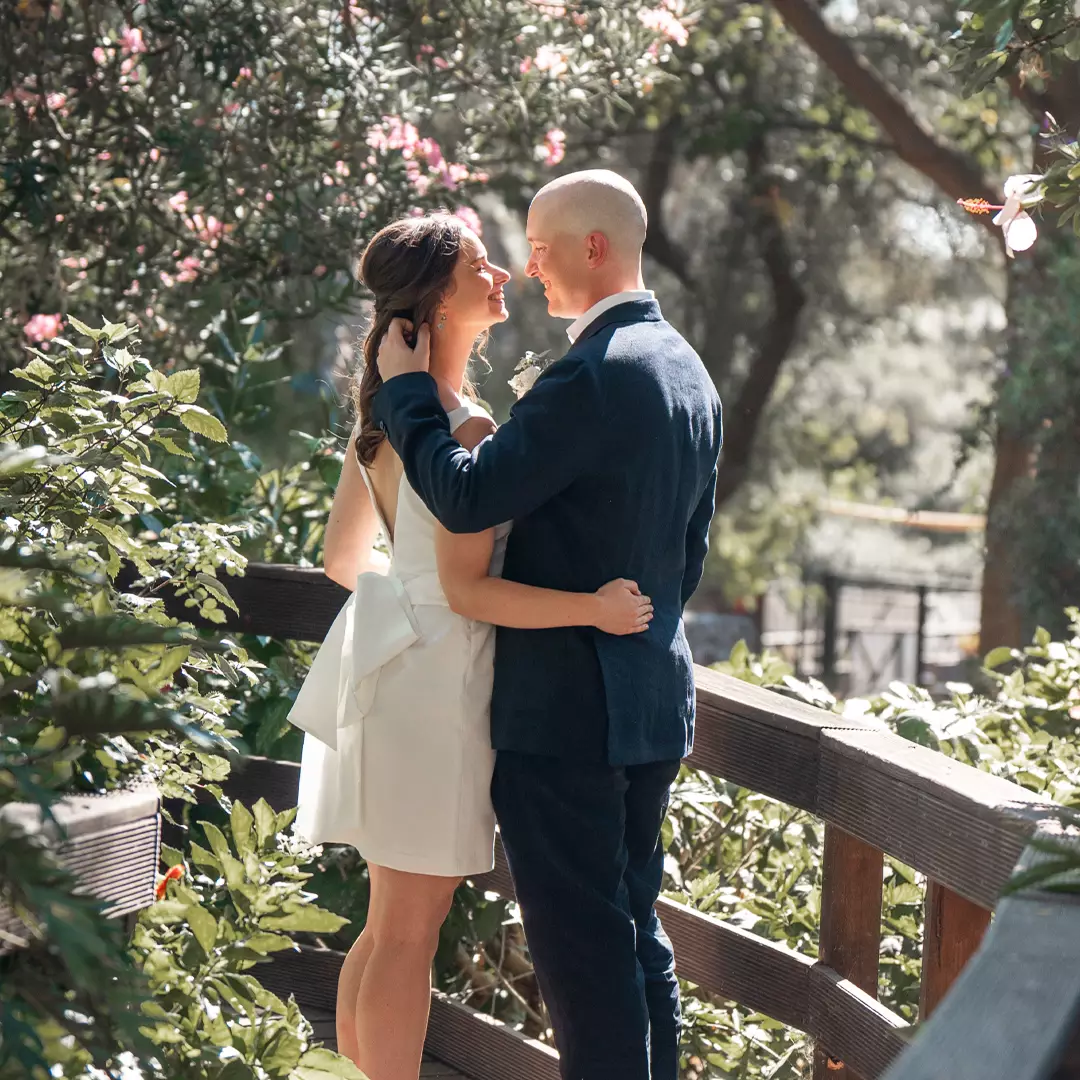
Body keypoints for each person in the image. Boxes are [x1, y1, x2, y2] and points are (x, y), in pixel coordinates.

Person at [372, 170, 723, 1080]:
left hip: (567, 715)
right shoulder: (688, 370)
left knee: (583, 959)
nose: (528, 269)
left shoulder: (595, 375)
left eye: (538, 247)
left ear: (592, 247)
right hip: (651, 696)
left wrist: (405, 394)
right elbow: (687, 558)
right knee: (636, 938)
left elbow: (470, 495)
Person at [288, 214, 654, 1080]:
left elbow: (343, 561)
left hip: (388, 668)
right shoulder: (466, 429)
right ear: (437, 303)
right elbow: (471, 592)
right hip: (441, 687)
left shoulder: (384, 417)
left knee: (385, 925)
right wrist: (591, 608)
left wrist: (403, 598)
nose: (501, 274)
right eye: (478, 267)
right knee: (411, 932)